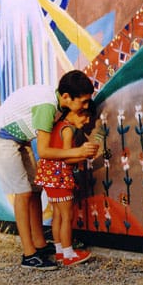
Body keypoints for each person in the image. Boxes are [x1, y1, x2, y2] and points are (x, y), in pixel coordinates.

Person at [0, 70, 99, 270]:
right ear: (66, 97)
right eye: (82, 102)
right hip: (3, 138)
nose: (85, 107)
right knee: (22, 193)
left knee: (35, 190)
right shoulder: (48, 107)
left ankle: (39, 244)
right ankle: (28, 253)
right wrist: (79, 151)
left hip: (20, 139)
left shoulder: (58, 105)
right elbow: (46, 151)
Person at [34, 101, 97, 266]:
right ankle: (69, 254)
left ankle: (60, 251)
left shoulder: (57, 125)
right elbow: (67, 157)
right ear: (77, 112)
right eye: (86, 117)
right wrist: (85, 155)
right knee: (67, 216)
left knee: (57, 216)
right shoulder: (68, 130)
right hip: (60, 177)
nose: (87, 122)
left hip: (50, 178)